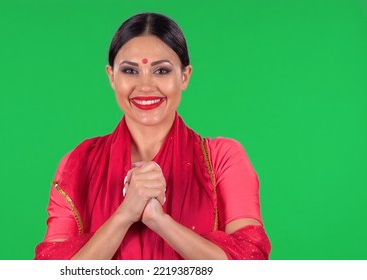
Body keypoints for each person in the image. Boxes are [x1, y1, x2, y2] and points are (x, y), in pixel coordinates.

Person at [34, 12, 271, 260]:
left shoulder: (222, 158)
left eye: (161, 71)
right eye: (130, 71)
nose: (145, 86)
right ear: (111, 76)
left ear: (184, 76)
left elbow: (251, 262)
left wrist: (159, 221)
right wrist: (125, 215)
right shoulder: (79, 163)